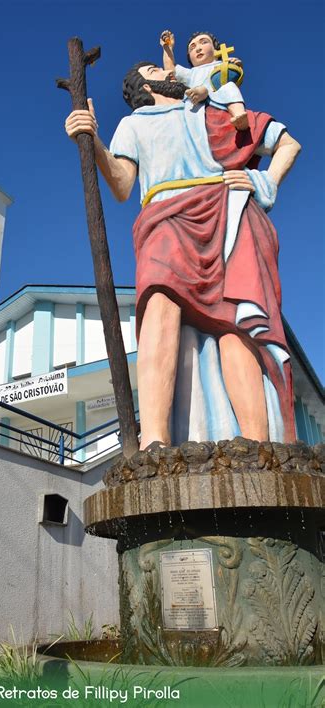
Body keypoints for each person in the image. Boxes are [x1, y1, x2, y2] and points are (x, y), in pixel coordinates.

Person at [64, 63, 301, 450]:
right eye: (158, 68)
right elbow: (123, 184)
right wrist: (93, 142)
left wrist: (263, 181)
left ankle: (258, 445)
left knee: (235, 322)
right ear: (144, 84)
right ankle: (154, 439)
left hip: (227, 216)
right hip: (166, 216)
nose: (174, 71)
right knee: (158, 299)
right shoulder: (134, 124)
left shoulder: (210, 110)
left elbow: (287, 143)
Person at [160, 29, 249, 130]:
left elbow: (233, 74)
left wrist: (235, 66)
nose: (198, 49)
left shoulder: (220, 65)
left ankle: (239, 115)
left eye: (204, 42)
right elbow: (170, 70)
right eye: (192, 48)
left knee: (229, 87)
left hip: (219, 97)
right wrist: (168, 48)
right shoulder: (191, 73)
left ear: (215, 50)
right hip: (195, 103)